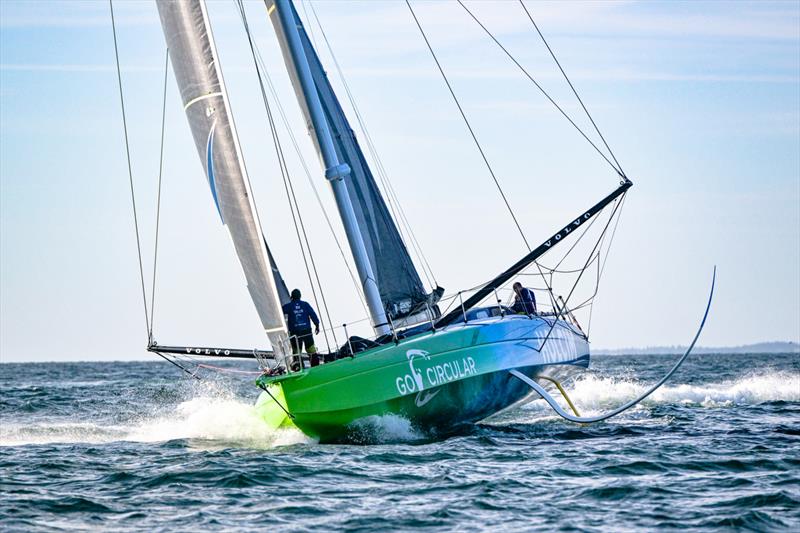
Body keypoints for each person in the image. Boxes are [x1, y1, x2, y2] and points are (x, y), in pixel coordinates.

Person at [282, 289, 321, 368]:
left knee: (297, 351)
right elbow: (313, 314)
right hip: (306, 331)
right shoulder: (305, 304)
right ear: (300, 296)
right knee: (310, 349)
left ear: (291, 297)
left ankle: (299, 368)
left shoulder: (288, 306)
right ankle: (315, 367)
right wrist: (317, 325)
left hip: (295, 332)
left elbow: (280, 311)